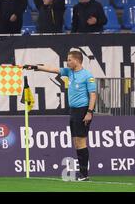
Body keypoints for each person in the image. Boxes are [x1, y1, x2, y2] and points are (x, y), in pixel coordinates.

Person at [24, 50, 97, 181]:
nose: (67, 62)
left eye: (69, 60)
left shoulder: (87, 75)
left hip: (83, 110)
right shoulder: (69, 72)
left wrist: (89, 112)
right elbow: (53, 69)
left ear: (77, 60)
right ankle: (83, 173)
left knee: (81, 141)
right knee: (76, 142)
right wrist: (36, 67)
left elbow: (93, 95)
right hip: (73, 111)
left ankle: (84, 174)